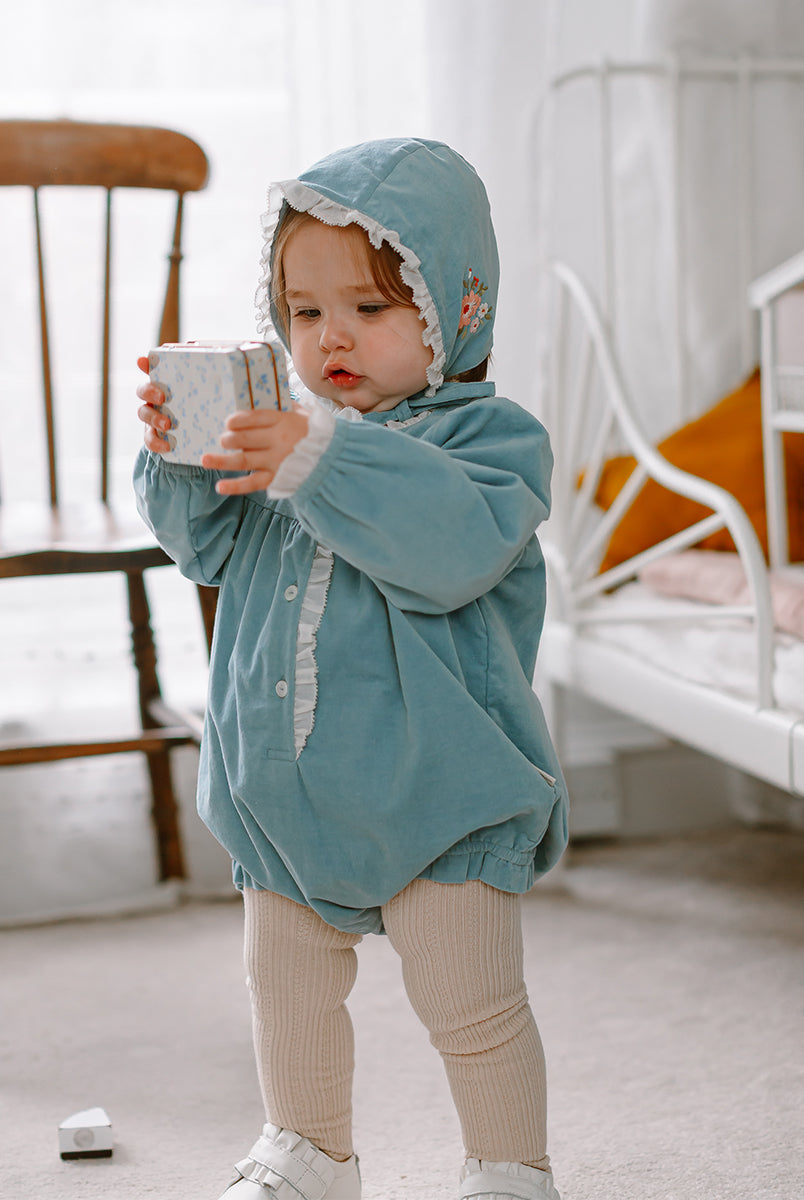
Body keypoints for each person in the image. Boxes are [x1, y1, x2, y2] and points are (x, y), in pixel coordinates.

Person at [134, 137, 568, 1200]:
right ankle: (306, 1152)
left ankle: (509, 1170)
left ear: (455, 308)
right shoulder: (287, 435)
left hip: (441, 790)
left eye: (370, 308)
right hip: (286, 792)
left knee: (471, 1003)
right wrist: (182, 454)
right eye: (304, 310)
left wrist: (316, 459)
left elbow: (447, 549)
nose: (330, 336)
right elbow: (206, 548)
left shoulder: (493, 443)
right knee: (286, 992)